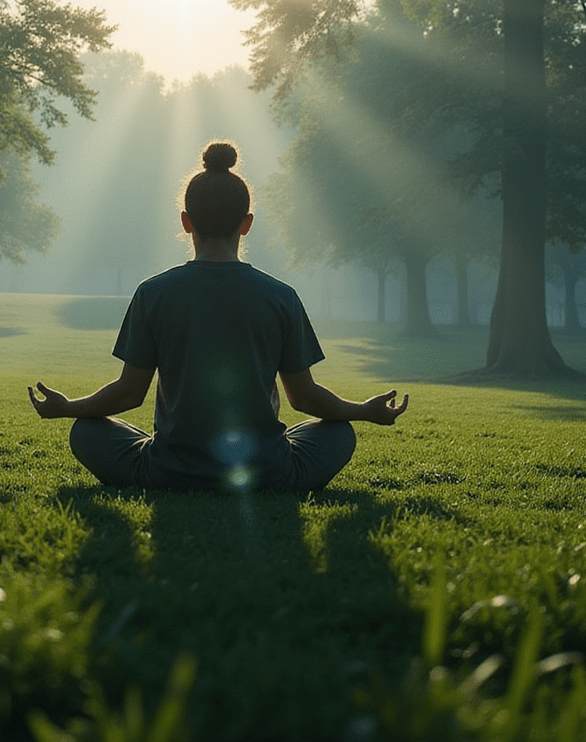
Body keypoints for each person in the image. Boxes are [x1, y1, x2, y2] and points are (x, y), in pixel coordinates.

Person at [28, 141, 408, 492]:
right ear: (247, 223)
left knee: (86, 431)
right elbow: (304, 398)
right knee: (340, 434)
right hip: (267, 472)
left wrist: (68, 408)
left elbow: (129, 393)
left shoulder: (153, 293)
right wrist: (363, 411)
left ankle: (172, 468)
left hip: (168, 471)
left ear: (185, 221)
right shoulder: (281, 297)